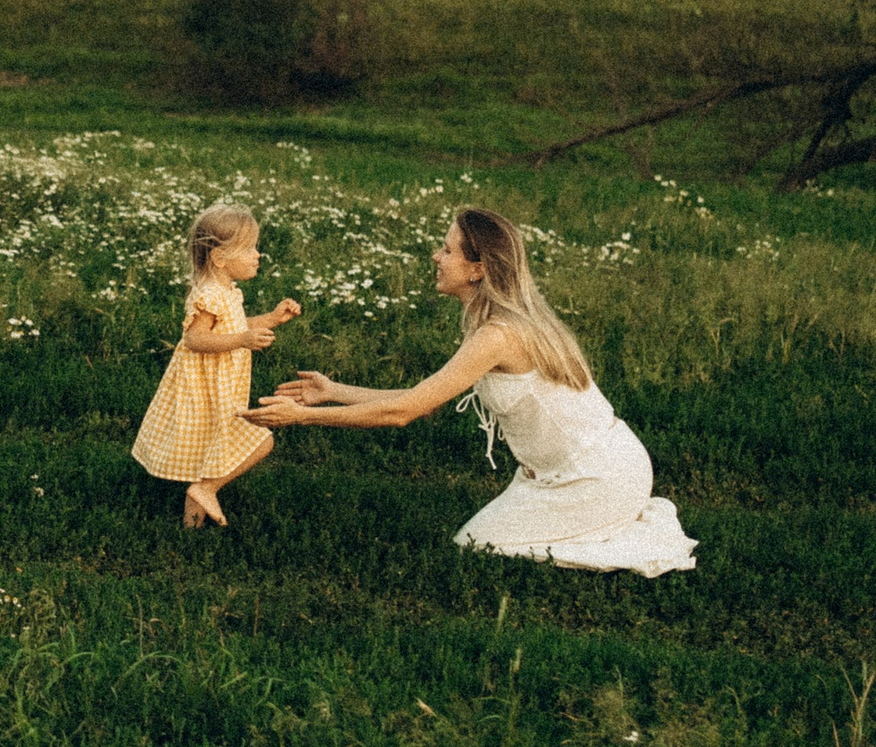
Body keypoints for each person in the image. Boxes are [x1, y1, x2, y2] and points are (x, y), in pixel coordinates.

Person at [245, 207, 696, 576]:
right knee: (482, 541)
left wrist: (303, 417)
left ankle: (622, 526)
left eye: (446, 250)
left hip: (599, 477)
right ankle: (608, 520)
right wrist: (333, 390)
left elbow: (403, 412)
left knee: (477, 547)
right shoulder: (497, 324)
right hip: (593, 468)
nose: (436, 257)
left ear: (477, 269)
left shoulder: (499, 334)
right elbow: (421, 400)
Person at [131, 204, 302, 527]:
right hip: (207, 388)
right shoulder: (210, 294)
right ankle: (207, 489)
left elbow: (231, 327)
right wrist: (242, 341)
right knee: (263, 440)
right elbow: (195, 339)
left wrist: (272, 319)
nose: (258, 255)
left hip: (220, 386)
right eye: (249, 248)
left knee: (211, 449)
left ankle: (191, 530)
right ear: (220, 258)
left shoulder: (226, 292)